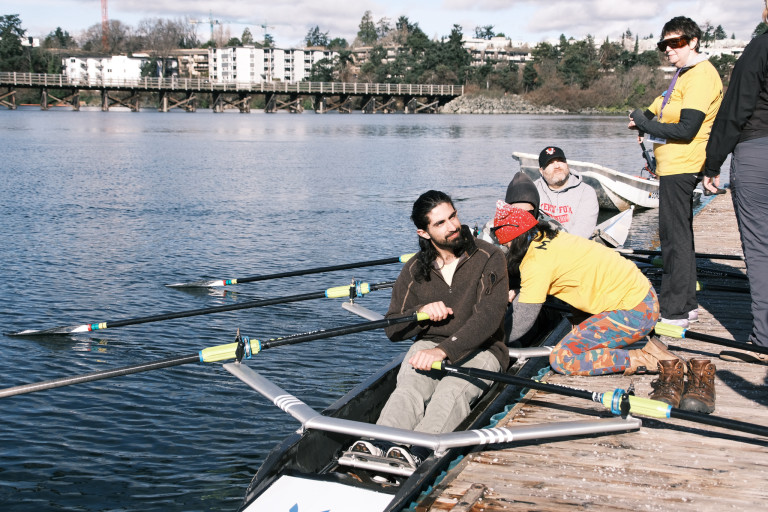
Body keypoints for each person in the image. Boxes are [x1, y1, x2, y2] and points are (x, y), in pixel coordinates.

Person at [496, 202, 714, 411]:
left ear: (515, 240)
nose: (504, 248)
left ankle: (649, 359)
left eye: (505, 244)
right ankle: (646, 348)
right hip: (639, 293)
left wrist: (494, 339)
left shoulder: (536, 264)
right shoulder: (550, 235)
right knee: (574, 317)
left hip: (635, 310)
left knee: (563, 359)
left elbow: (522, 321)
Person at [351, 190, 510, 466]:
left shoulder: (489, 256)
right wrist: (420, 314)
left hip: (483, 348)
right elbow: (393, 328)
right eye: (440, 223)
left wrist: (443, 351)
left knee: (451, 391)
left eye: (453, 216)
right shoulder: (414, 269)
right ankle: (381, 443)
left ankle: (420, 452)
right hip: (430, 345)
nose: (452, 226)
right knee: (409, 388)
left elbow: (488, 318)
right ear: (423, 233)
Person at [628, 16, 723, 329]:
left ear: (693, 41)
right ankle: (687, 305)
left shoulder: (701, 75)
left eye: (675, 42)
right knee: (677, 236)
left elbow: (686, 129)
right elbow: (660, 105)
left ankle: (674, 312)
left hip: (684, 164)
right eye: (663, 44)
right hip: (673, 166)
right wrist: (642, 117)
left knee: (673, 240)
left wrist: (645, 124)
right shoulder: (683, 74)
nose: (668, 49)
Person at [703, 2, 768, 365]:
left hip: (759, 151)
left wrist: (713, 162)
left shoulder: (761, 46)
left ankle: (764, 342)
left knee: (761, 249)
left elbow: (735, 109)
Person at [533, 146, 599, 239]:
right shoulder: (532, 190)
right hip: (540, 244)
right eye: (550, 163)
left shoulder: (586, 192)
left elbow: (583, 229)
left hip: (574, 244)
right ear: (541, 171)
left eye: (560, 161)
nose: (557, 166)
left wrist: (560, 245)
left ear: (567, 164)